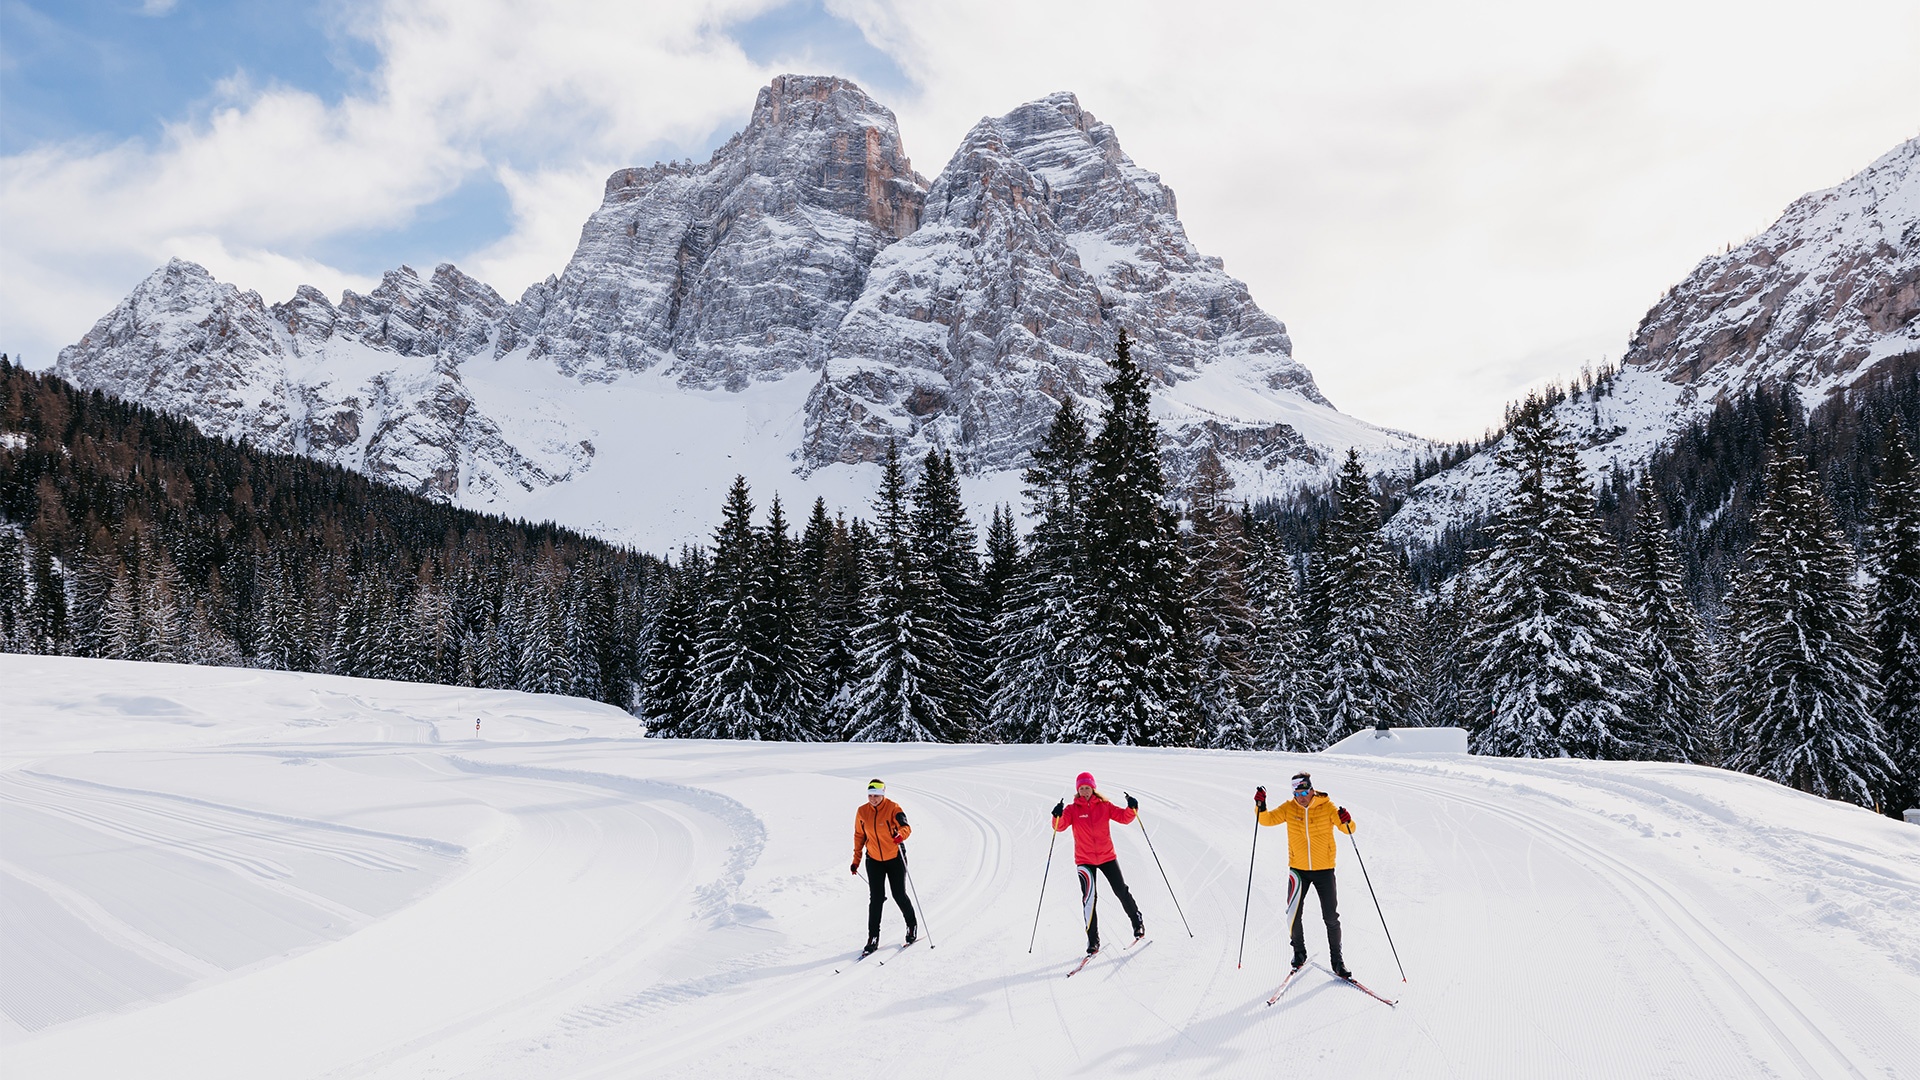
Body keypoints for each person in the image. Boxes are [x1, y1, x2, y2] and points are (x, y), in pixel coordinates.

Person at [1255, 771, 1357, 978]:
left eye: (1303, 792)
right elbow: (1266, 821)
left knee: (1331, 917)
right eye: (1296, 793)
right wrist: (1260, 806)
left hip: (1324, 870)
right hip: (1298, 870)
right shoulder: (1289, 807)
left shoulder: (1327, 807)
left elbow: (1348, 830)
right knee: (1293, 914)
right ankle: (1299, 953)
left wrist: (1348, 820)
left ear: (1311, 790)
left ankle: (1337, 962)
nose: (1300, 797)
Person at [1051, 771, 1146, 955]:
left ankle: (1137, 923)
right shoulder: (1072, 809)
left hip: (1106, 856)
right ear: (1077, 790)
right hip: (1084, 860)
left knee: (1121, 890)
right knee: (1089, 900)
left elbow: (1124, 817)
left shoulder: (1104, 806)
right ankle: (1093, 941)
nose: (1085, 791)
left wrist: (1132, 808)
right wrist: (1057, 815)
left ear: (1093, 789)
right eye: (1082, 788)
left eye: (1088, 788)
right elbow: (1059, 827)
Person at [852, 778, 917, 956]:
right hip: (873, 859)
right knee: (876, 898)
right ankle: (873, 938)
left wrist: (900, 836)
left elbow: (906, 827)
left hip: (895, 856)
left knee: (899, 894)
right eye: (870, 795)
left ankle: (911, 925)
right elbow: (859, 836)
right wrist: (856, 860)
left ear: (883, 794)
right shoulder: (862, 812)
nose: (873, 799)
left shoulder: (893, 808)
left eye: (876, 795)